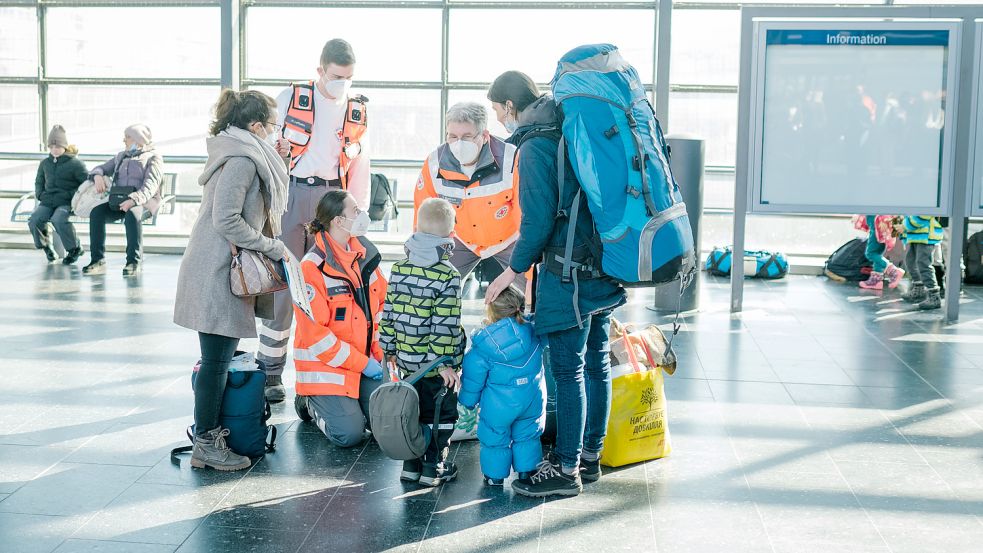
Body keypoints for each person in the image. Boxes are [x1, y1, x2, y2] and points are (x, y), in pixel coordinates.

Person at [484, 71, 626, 498]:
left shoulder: (535, 146)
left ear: (510, 107)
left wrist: (512, 271)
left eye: (496, 112)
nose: (499, 121)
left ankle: (566, 470)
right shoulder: (569, 126)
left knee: (569, 371)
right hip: (602, 263)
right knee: (596, 362)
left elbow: (539, 220)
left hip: (569, 274)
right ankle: (589, 457)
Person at [173, 89, 290, 471]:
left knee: (217, 359)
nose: (275, 132)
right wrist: (269, 245)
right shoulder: (241, 160)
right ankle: (206, 444)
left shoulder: (244, 152)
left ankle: (209, 436)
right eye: (272, 125)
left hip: (221, 266)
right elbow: (227, 219)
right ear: (255, 126)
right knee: (216, 361)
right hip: (217, 270)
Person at [259, 38, 372, 404]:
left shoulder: (356, 109)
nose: (343, 84)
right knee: (285, 280)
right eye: (337, 76)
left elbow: (360, 165)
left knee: (332, 286)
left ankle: (329, 373)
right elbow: (266, 147)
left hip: (334, 198)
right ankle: (270, 372)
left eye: (349, 77)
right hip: (293, 193)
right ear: (320, 70)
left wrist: (359, 212)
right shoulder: (292, 97)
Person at [292, 190, 387, 448]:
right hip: (327, 369)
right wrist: (363, 364)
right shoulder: (311, 268)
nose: (361, 214)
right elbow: (318, 339)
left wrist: (379, 356)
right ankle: (308, 402)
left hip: (362, 361)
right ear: (338, 221)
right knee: (349, 434)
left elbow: (381, 307)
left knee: (386, 422)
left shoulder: (365, 255)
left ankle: (349, 403)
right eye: (355, 210)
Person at [379, 197, 465, 487]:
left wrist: (388, 349)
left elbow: (388, 313)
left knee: (412, 412)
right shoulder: (448, 275)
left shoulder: (400, 268)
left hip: (405, 363)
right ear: (450, 237)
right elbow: (445, 324)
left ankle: (410, 466)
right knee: (439, 414)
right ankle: (433, 467)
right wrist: (443, 364)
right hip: (433, 366)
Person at [415, 102, 524, 287]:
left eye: (467, 137)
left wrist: (523, 264)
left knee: (536, 289)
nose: (459, 144)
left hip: (509, 240)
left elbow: (525, 215)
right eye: (453, 136)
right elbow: (423, 216)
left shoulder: (511, 159)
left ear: (484, 135)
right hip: (461, 239)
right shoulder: (434, 164)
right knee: (428, 284)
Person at [459, 286, 545, 487]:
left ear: (491, 310)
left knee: (494, 438)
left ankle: (494, 476)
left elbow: (473, 379)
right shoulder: (534, 333)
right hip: (531, 398)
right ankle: (527, 471)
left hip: (497, 405)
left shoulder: (483, 346)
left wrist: (467, 401)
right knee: (528, 435)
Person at [82, 124, 163, 277]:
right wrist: (97, 175)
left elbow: (150, 186)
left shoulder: (153, 157)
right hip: (119, 199)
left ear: (138, 139)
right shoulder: (121, 156)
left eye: (127, 137)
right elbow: (101, 168)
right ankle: (97, 260)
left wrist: (133, 200)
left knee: (132, 215)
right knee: (97, 213)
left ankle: (133, 261)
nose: (123, 140)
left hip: (143, 201)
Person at [29, 125, 87, 264]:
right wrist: (40, 195)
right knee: (35, 220)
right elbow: (39, 181)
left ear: (65, 147)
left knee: (58, 219)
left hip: (67, 202)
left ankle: (75, 248)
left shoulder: (75, 164)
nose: (54, 150)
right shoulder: (44, 163)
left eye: (58, 147)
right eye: (52, 147)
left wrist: (71, 195)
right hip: (48, 201)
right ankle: (47, 247)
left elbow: (86, 184)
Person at [898, 215, 944, 310]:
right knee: (911, 261)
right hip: (917, 235)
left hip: (926, 235)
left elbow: (923, 215)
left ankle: (934, 296)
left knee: (923, 264)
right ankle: (919, 289)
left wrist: (905, 226)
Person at [857, 214, 904, 290]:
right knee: (877, 253)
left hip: (877, 223)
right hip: (879, 222)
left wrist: (882, 217)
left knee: (870, 253)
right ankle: (876, 281)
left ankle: (893, 271)